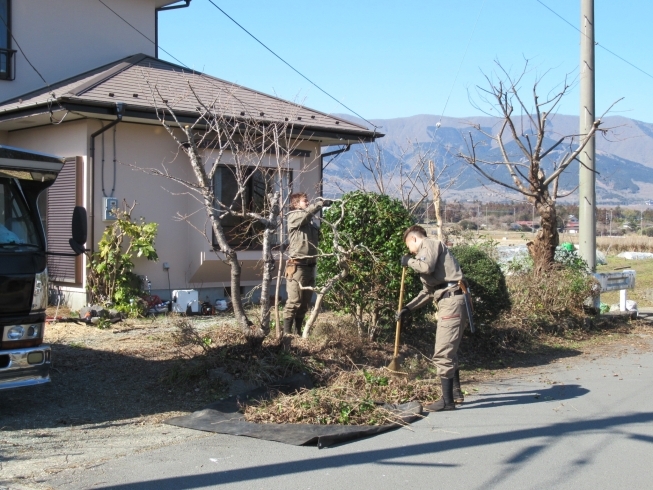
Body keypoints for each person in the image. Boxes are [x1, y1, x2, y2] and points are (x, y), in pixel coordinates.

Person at [396, 225, 468, 412]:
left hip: (451, 300)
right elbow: (428, 292)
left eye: (409, 247)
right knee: (449, 350)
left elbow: (426, 267)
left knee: (443, 352)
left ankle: (447, 401)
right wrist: (407, 308)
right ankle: (456, 393)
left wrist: (409, 262)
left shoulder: (429, 244)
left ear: (413, 239)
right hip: (450, 298)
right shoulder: (431, 254)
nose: (410, 251)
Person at [283, 193, 332, 335]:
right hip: (297, 267)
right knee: (294, 302)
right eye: (305, 201)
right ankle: (286, 335)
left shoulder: (310, 224)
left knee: (304, 304)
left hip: (310, 267)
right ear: (296, 204)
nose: (308, 202)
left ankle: (298, 333)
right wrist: (320, 204)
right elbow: (307, 213)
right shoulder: (293, 217)